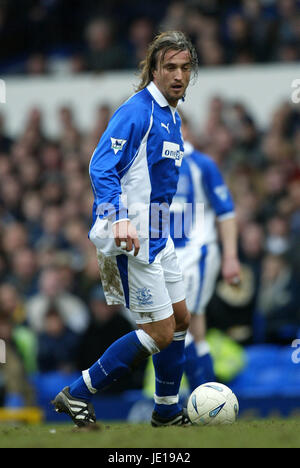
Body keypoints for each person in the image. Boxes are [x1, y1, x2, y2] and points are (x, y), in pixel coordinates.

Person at [52, 31, 198, 428]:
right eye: (169, 67)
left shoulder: (172, 115)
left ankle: (166, 411)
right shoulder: (138, 111)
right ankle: (77, 393)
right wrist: (117, 218)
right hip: (131, 238)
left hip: (158, 235)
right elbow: (101, 166)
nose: (178, 75)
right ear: (153, 69)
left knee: (182, 319)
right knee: (160, 331)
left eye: (185, 68)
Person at [170, 117, 241, 391]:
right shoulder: (151, 166)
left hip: (197, 252)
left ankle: (204, 395)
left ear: (186, 130)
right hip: (168, 255)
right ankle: (209, 397)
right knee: (194, 330)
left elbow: (226, 212)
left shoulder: (201, 164)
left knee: (180, 321)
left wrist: (231, 257)